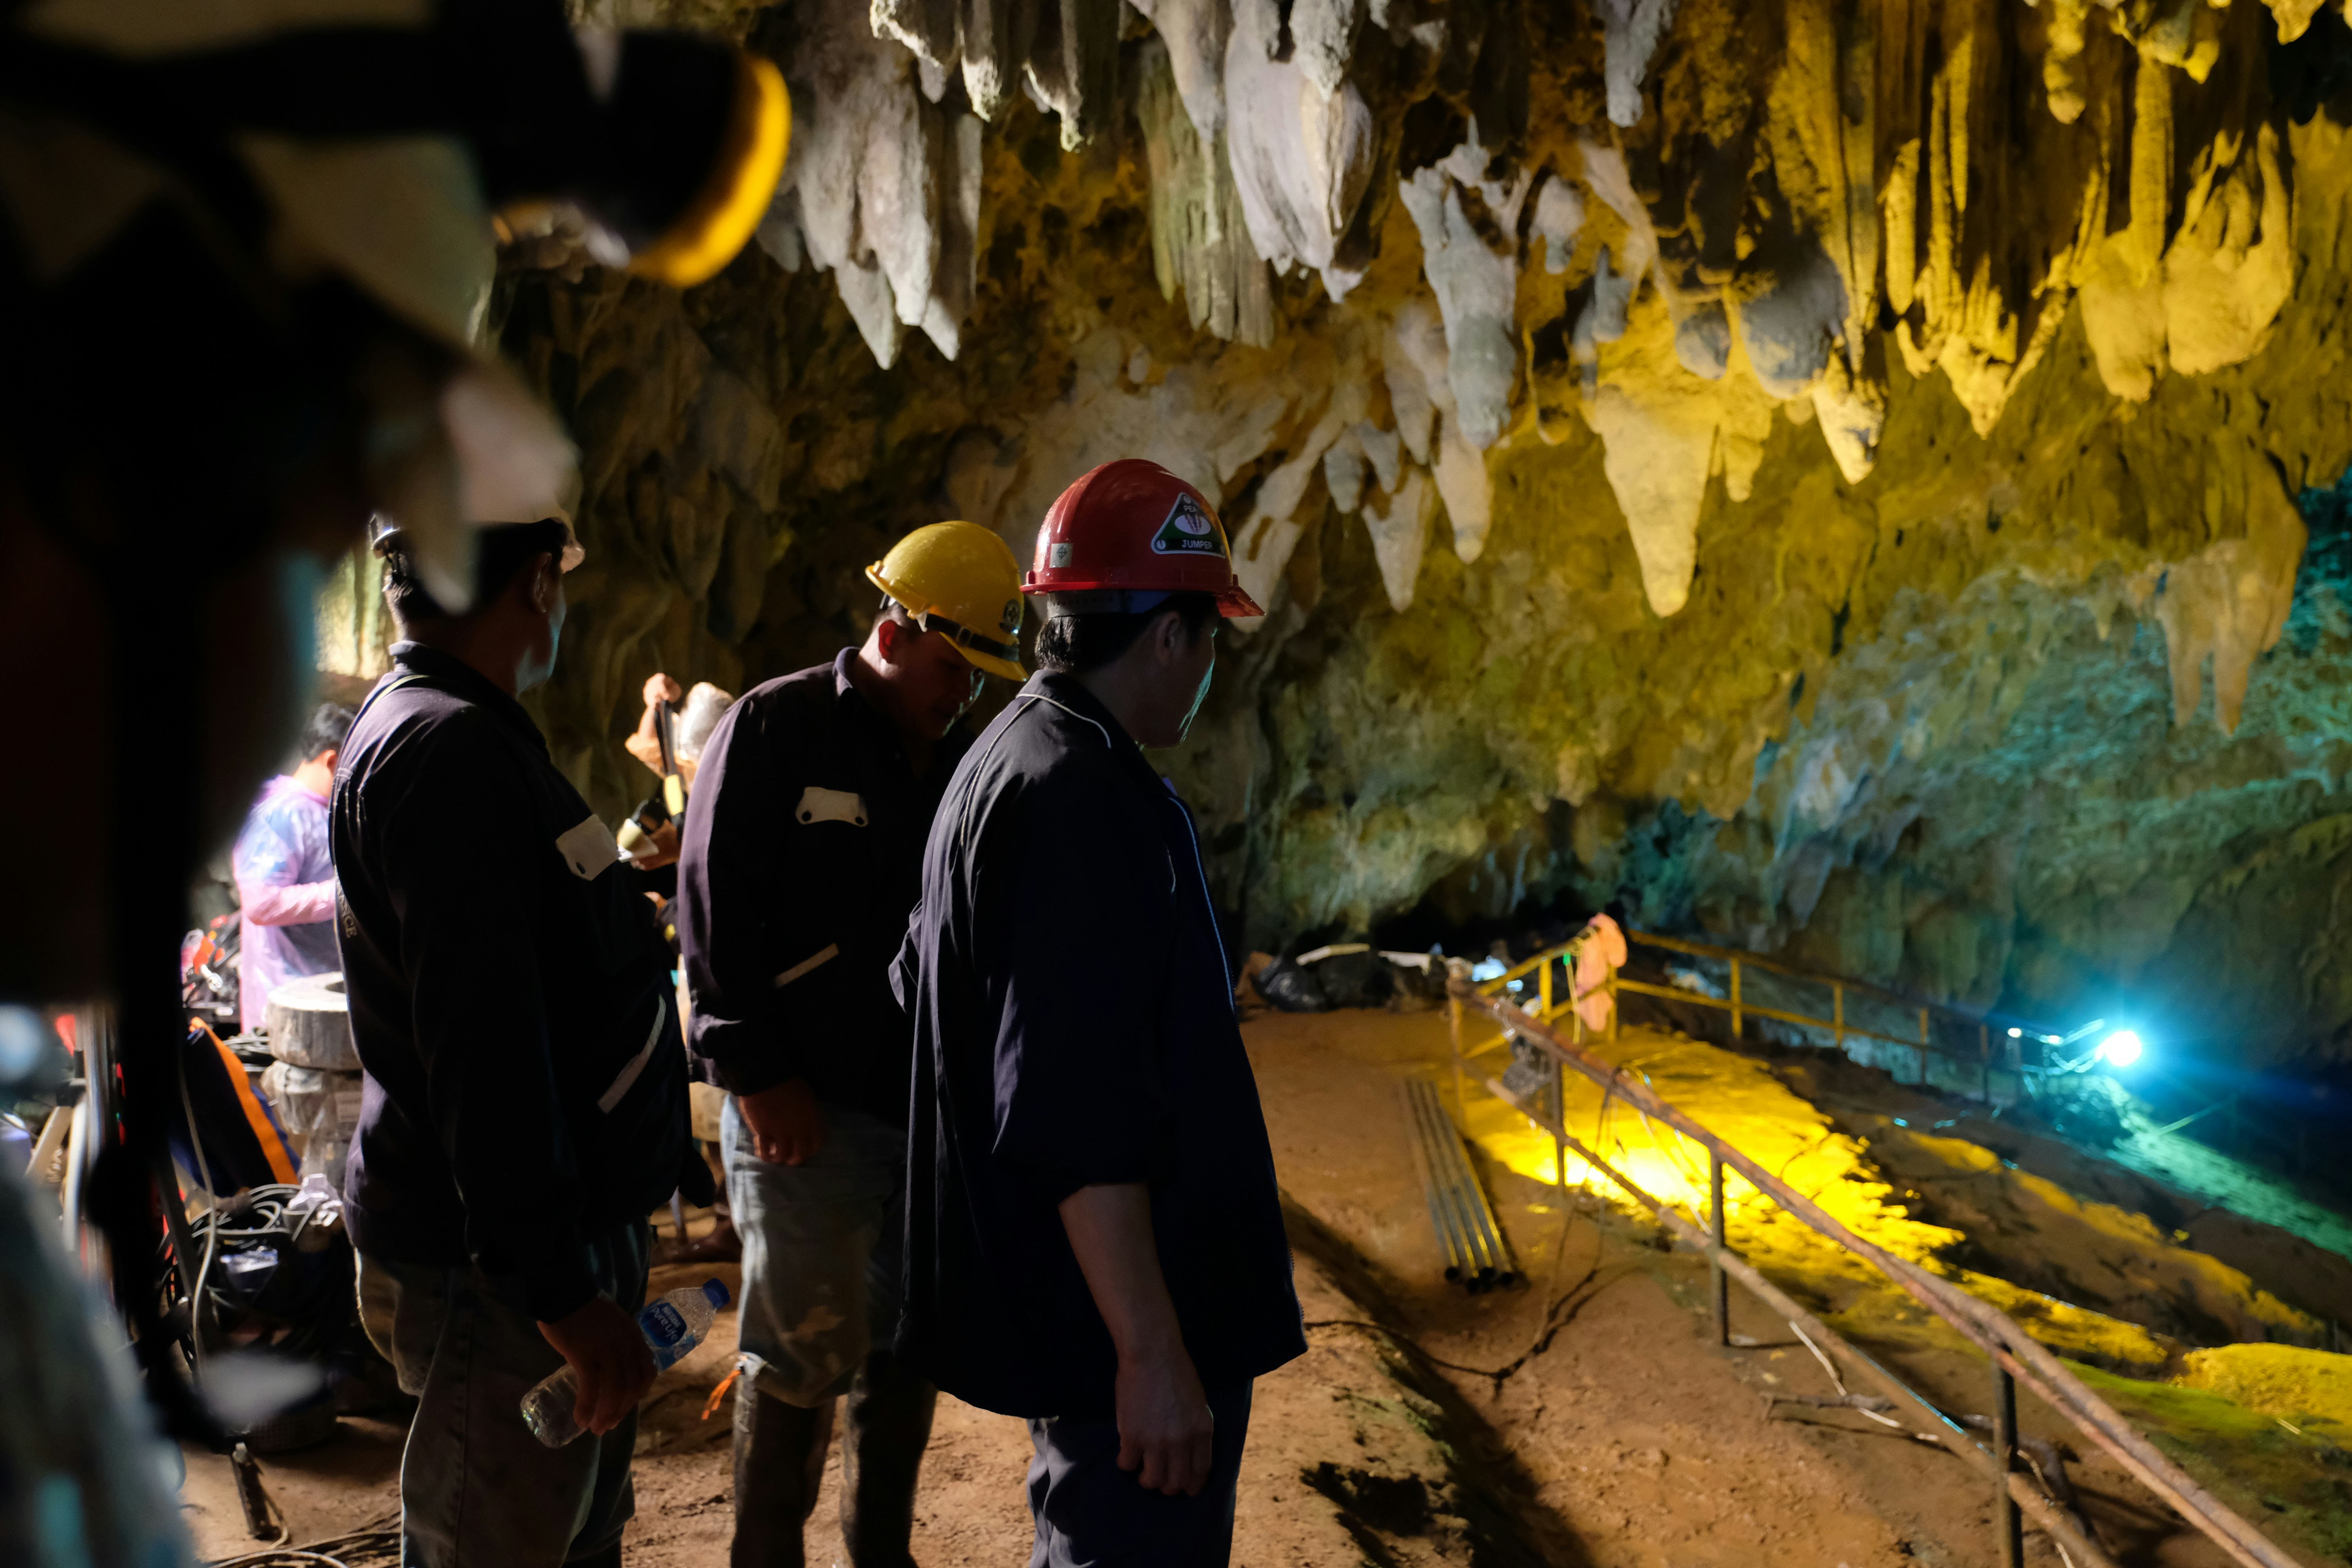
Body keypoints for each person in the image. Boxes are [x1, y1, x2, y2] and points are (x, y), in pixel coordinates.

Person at [896, 461, 1305, 1567]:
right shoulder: (1082, 798)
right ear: (1167, 635)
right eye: (1210, 636)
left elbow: (919, 988)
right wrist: (1152, 1354)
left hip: (1073, 1318)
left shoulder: (1003, 761)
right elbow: (1075, 1111)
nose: (1210, 664)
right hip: (1118, 1335)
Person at [333, 513, 696, 1568]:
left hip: (530, 1249)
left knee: (563, 1528)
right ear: (540, 582)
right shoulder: (449, 751)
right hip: (499, 1273)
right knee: (495, 1545)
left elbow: (519, 966)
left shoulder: (457, 734)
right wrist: (559, 1291)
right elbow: (482, 1046)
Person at [677, 521, 1028, 1568]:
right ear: (893, 628)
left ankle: (882, 1556)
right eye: (953, 665)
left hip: (918, 1121)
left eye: (980, 677)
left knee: (903, 1348)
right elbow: (712, 910)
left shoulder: (961, 764)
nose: (963, 693)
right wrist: (756, 1072)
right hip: (805, 1118)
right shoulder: (776, 730)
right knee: (796, 1355)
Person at [231, 701, 356, 1034]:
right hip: (285, 1003)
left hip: (322, 994)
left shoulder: (325, 810)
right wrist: (348, 893)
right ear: (333, 760)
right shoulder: (281, 812)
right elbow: (261, 903)